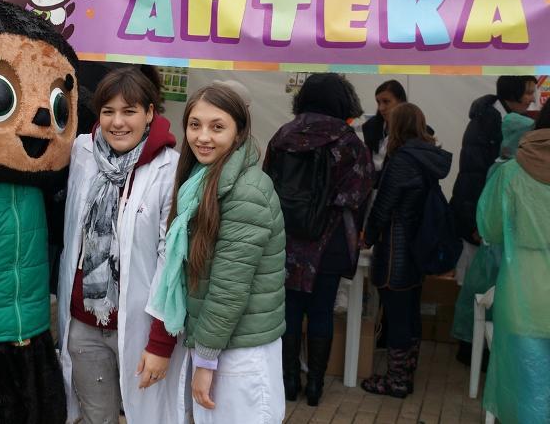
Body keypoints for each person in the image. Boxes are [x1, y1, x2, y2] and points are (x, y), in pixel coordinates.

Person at [58, 66, 186, 424]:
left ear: (149, 113)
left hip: (140, 326)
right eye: (108, 111)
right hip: (83, 322)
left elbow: (171, 262)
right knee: (97, 417)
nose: (117, 122)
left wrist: (160, 342)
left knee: (147, 417)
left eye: (129, 111)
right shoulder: (83, 152)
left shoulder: (170, 169)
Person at [152, 84, 286, 423]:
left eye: (217, 127)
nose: (203, 137)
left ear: (239, 132)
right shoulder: (203, 179)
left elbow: (229, 289)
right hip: (219, 343)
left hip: (239, 351)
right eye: (195, 125)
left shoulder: (246, 191)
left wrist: (206, 361)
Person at [264, 73, 374, 406]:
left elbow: (267, 183)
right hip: (330, 240)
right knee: (322, 310)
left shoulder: (284, 135)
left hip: (285, 239)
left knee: (288, 311)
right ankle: (315, 386)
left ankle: (288, 382)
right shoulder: (350, 142)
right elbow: (358, 193)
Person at [361, 103, 452, 398]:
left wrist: (367, 237)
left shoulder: (402, 160)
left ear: (397, 127)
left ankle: (397, 380)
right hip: (416, 248)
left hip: (395, 250)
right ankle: (407, 371)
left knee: (398, 316)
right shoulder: (426, 157)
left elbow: (383, 207)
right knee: (410, 313)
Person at [449, 75, 537, 363]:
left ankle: (477, 347)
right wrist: (476, 223)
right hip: (480, 220)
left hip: (489, 223)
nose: (532, 99)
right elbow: (472, 177)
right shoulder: (489, 124)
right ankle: (471, 348)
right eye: (528, 92)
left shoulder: (503, 121)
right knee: (478, 287)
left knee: (484, 286)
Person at [478, 99, 550, 424]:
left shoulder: (510, 172)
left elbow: (490, 228)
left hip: (524, 295)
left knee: (527, 396)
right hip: (523, 294)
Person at [362, 80, 408, 180]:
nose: (381, 108)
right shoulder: (370, 127)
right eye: (378, 102)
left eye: (386, 102)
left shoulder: (412, 131)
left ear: (400, 102)